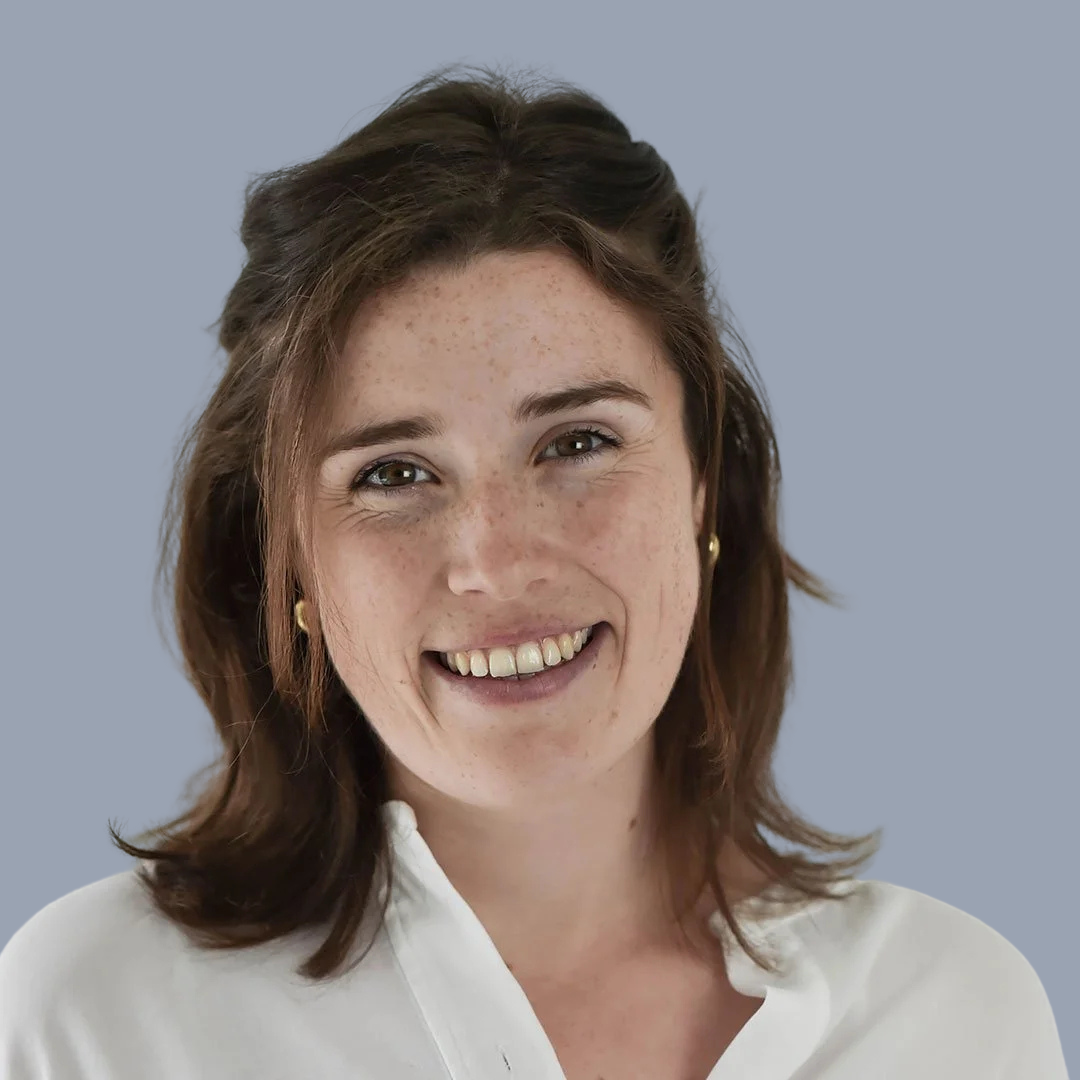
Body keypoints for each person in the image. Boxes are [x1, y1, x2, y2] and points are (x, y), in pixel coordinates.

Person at [0, 63, 1067, 1080]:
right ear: (288, 561)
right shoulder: (99, 1018)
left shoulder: (953, 1018)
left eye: (577, 443)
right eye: (393, 473)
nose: (496, 563)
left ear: (704, 486)